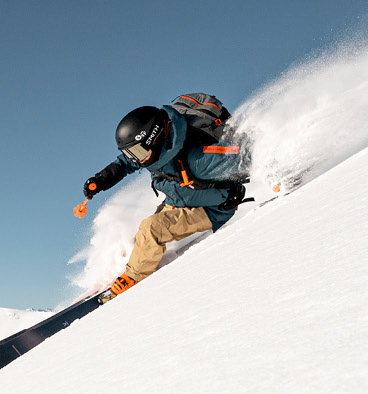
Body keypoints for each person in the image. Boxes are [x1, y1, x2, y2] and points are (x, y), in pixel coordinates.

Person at [81, 95, 251, 300]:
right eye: (131, 152)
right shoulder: (155, 150)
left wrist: (279, 166)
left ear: (153, 138)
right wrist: (101, 180)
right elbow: (126, 162)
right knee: (139, 240)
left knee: (152, 229)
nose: (134, 159)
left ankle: (133, 278)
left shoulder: (199, 159)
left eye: (136, 152)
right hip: (182, 200)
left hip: (212, 208)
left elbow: (246, 156)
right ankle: (132, 265)